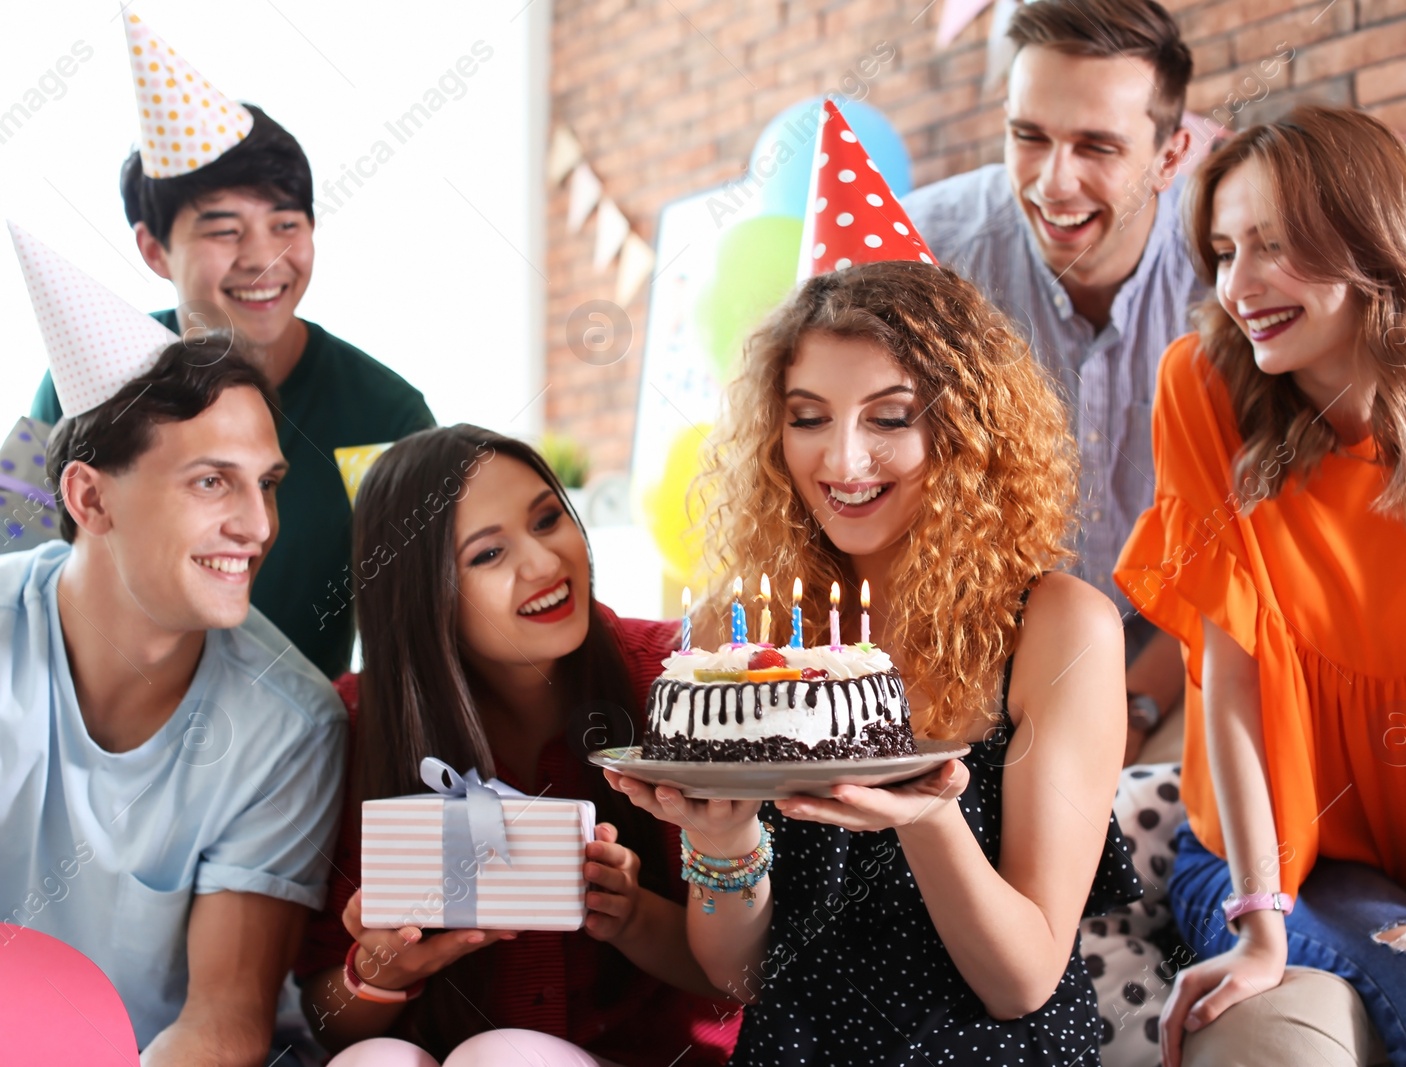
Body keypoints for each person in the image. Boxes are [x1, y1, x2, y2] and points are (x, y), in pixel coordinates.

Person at [1113, 104, 1406, 1066]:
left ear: (1373, 241)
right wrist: (1260, 926)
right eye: (1221, 251)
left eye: (1273, 247)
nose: (1237, 286)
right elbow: (1234, 688)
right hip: (1277, 862)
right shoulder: (1202, 390)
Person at [609, 260, 1144, 1065]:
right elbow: (744, 976)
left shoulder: (1058, 628)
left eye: (890, 417)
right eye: (809, 417)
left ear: (966, 430)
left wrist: (926, 815)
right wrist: (721, 846)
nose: (843, 459)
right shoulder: (740, 630)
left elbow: (1021, 980)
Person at [295, 426, 738, 1067]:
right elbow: (326, 1022)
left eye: (548, 519)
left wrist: (632, 916)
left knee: (505, 1057)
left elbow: (742, 985)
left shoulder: (675, 683)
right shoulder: (359, 723)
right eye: (488, 555)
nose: (543, 563)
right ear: (424, 598)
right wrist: (379, 972)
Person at [30, 13, 434, 679]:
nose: (264, 258)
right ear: (154, 248)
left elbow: (420, 617)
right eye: (224, 230)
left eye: (286, 223)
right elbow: (10, 542)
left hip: (293, 750)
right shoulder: (83, 374)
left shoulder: (383, 416)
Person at [0, 337, 346, 1064]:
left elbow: (224, 1020)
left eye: (268, 482)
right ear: (90, 498)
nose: (258, 527)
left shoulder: (289, 726)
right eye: (212, 482)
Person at [902, 0, 1206, 766]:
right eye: (1027, 136)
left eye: (1097, 146)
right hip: (981, 647)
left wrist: (1133, 706)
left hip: (1185, 648)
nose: (1053, 181)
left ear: (1171, 157)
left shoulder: (1231, 271)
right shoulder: (925, 255)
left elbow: (1256, 534)